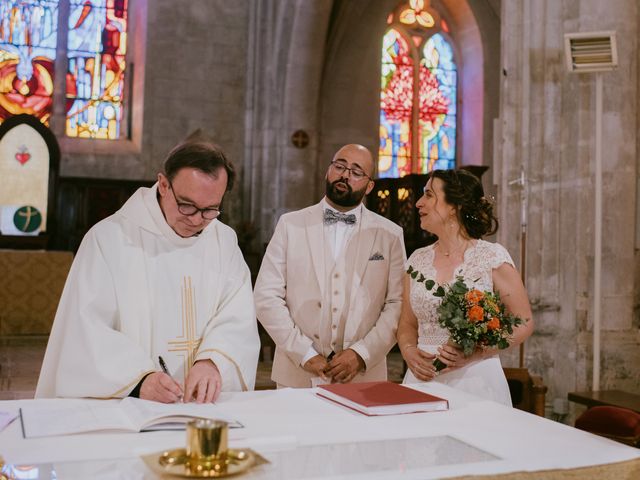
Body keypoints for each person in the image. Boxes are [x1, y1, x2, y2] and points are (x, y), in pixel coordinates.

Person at [36, 139, 260, 403]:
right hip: (132, 405)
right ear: (164, 185)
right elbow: (86, 329)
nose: (197, 220)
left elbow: (238, 314)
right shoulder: (109, 239)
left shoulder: (223, 241)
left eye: (210, 209)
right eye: (186, 205)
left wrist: (214, 360)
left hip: (205, 406)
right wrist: (139, 378)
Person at [254, 144, 405, 387]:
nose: (345, 175)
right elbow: (265, 296)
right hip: (297, 373)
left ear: (369, 186)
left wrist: (361, 354)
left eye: (356, 172)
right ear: (328, 171)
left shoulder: (390, 234)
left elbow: (397, 303)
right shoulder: (290, 224)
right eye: (340, 166)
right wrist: (304, 353)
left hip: (364, 376)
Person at [397, 169, 534, 406]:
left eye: (428, 195)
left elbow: (524, 321)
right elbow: (407, 324)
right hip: (422, 380)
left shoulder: (491, 257)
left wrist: (476, 352)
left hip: (476, 381)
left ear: (454, 206)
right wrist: (409, 351)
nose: (419, 203)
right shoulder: (416, 260)